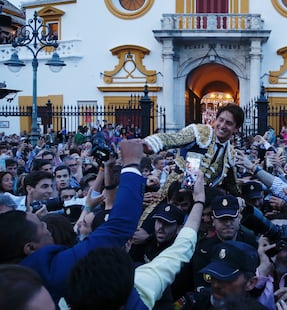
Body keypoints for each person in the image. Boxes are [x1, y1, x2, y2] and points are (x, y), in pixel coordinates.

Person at [0, 138, 146, 304]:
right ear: (30, 248)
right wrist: (132, 164)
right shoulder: (46, 271)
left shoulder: (13, 276)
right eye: (42, 225)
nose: (47, 225)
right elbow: (118, 227)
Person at [65, 170, 207, 310]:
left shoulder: (67, 281)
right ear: (127, 244)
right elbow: (182, 247)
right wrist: (199, 200)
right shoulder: (141, 283)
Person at [143, 103, 245, 196]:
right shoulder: (200, 132)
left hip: (202, 202)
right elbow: (175, 139)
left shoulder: (230, 152)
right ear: (216, 120)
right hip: (174, 194)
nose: (222, 126)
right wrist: (151, 143)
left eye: (228, 123)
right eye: (221, 120)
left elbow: (232, 184)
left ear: (236, 128)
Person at [191, 194, 257, 290]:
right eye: (222, 219)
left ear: (239, 218)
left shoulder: (250, 242)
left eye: (231, 218)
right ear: (213, 221)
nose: (227, 223)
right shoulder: (204, 250)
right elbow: (202, 288)